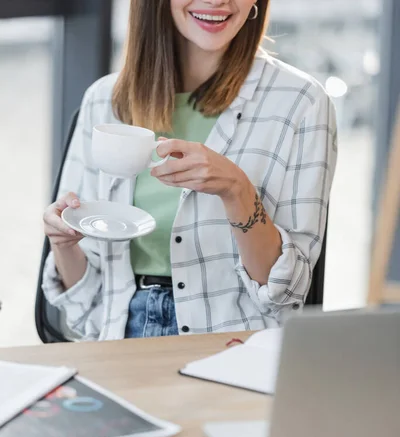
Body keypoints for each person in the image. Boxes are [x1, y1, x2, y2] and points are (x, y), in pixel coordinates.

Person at [42, 0, 337, 342]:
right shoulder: (103, 101)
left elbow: (287, 293)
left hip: (234, 343)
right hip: (116, 338)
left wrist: (236, 190)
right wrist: (63, 243)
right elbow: (85, 304)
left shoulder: (301, 102)